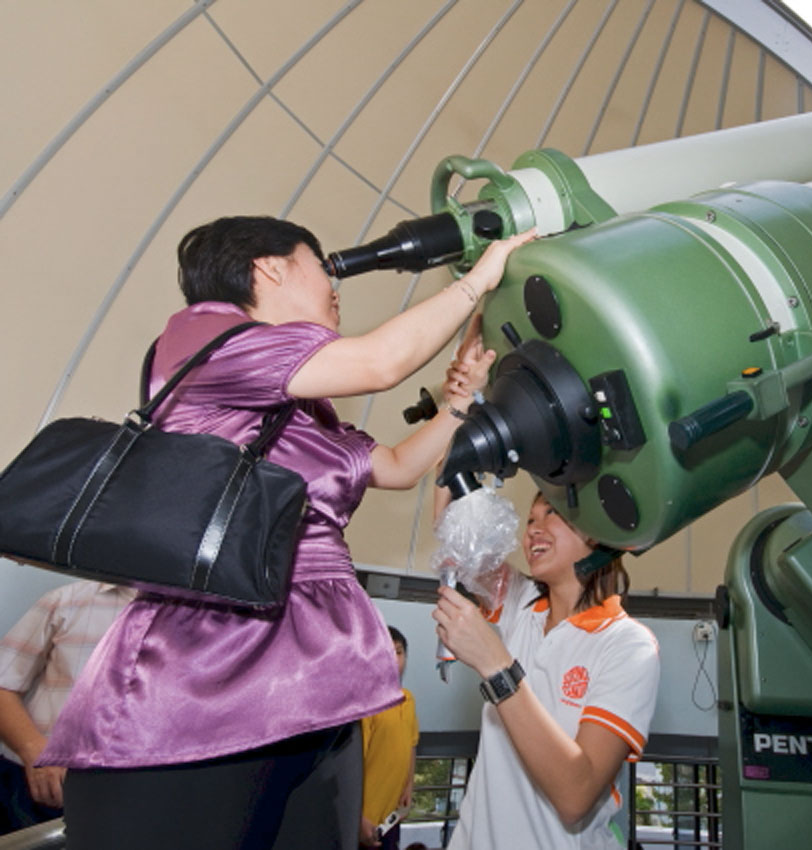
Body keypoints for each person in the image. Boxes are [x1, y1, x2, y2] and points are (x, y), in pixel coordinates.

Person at [36, 215, 534, 850]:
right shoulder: (204, 337)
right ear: (269, 268)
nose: (335, 285)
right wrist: (481, 277)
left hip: (319, 680)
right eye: (320, 266)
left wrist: (460, 400)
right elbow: (381, 362)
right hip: (208, 673)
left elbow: (397, 467)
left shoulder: (303, 406)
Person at [432, 483, 661, 849]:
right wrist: (451, 467)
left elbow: (576, 795)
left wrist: (498, 668)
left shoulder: (627, 644)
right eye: (530, 520)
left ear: (596, 530)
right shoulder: (521, 604)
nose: (533, 531)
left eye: (552, 513)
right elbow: (458, 538)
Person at [0, 580, 134, 834]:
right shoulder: (66, 601)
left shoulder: (204, 617)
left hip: (141, 798)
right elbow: (2, 686)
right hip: (36, 793)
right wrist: (35, 751)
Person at [359, 626, 419, 850]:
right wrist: (356, 817)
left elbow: (411, 745)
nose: (394, 659)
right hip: (363, 822)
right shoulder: (364, 703)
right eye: (386, 652)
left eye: (399, 652)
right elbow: (351, 768)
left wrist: (408, 786)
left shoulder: (408, 700)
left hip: (391, 817)